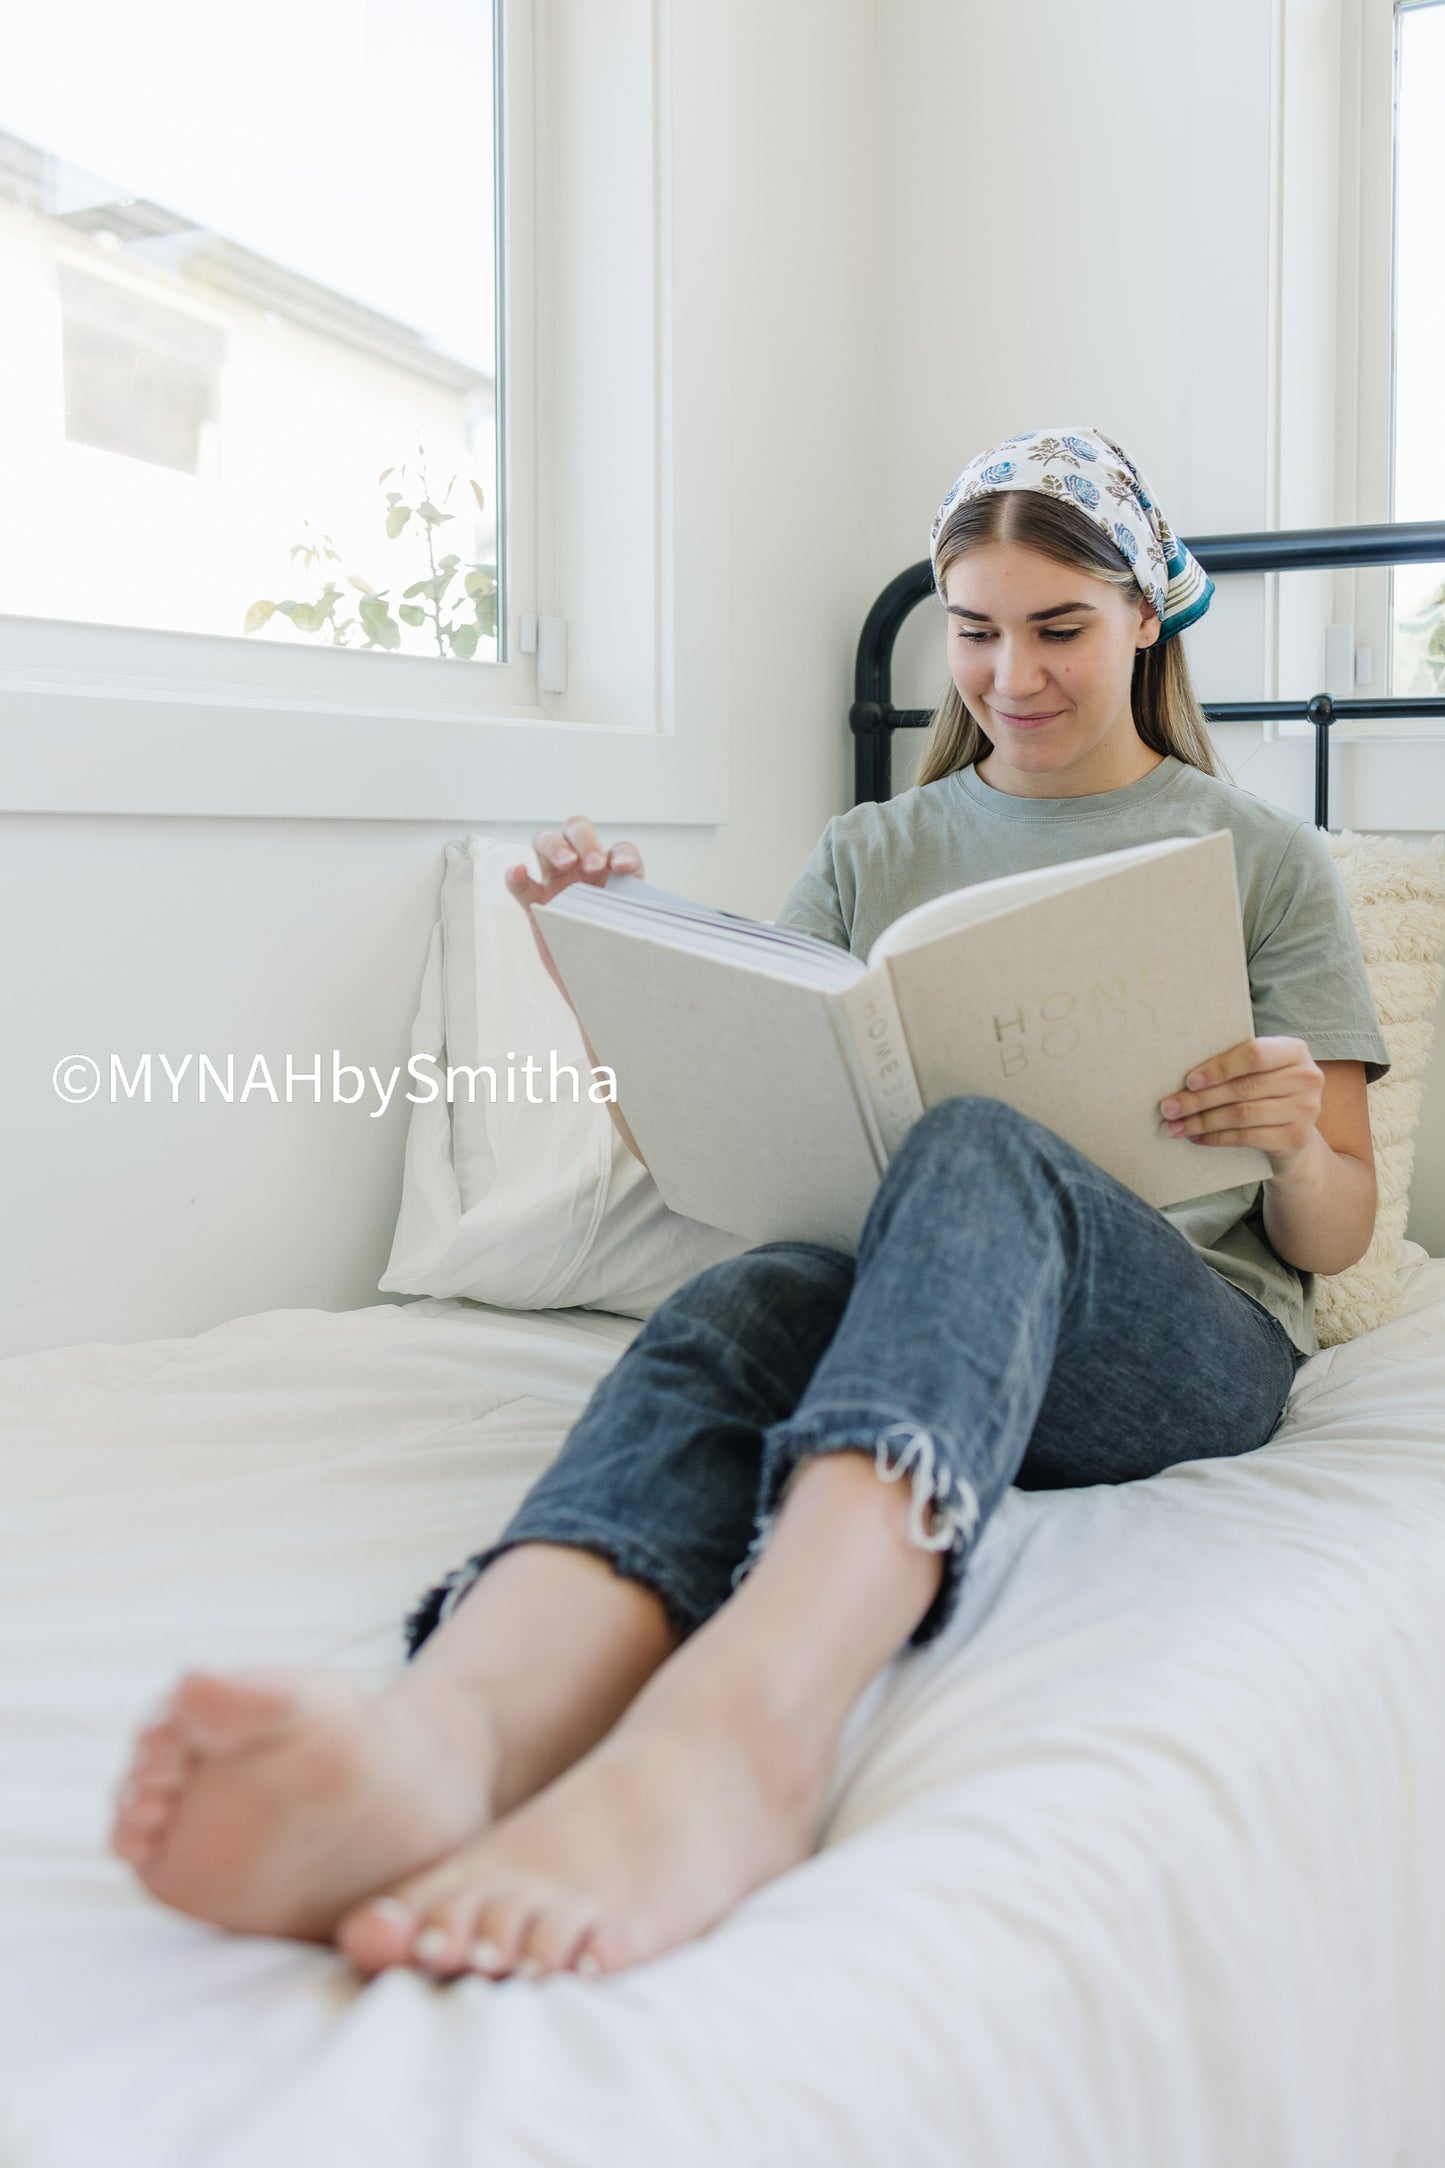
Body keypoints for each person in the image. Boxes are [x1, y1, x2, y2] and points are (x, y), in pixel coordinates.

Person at [110, 425, 1389, 1987]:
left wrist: (1291, 1150)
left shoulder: (1256, 857)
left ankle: (752, 1726)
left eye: (1057, 628)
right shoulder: (870, 851)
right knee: (741, 1298)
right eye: (974, 633)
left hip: (1180, 1346)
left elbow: (1330, 1241)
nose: (1011, 674)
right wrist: (609, 967)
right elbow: (731, 1149)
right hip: (913, 1316)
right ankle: (451, 1732)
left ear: (1145, 615)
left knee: (977, 1143)